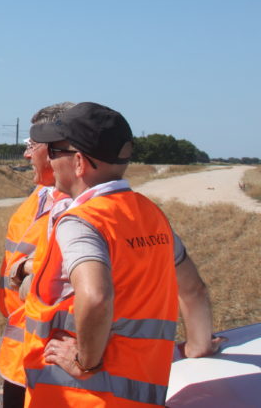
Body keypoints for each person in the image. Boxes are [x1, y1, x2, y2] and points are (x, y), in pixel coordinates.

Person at [22, 102, 222, 407]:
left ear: (78, 163)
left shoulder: (81, 222)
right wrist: (198, 346)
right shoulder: (151, 215)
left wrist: (85, 362)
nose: (49, 161)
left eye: (53, 152)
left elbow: (96, 297)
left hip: (81, 396)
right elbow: (194, 289)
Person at [0, 102, 74, 408]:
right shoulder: (40, 196)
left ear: (57, 148)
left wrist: (27, 267)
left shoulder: (78, 206)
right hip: (22, 349)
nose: (27, 155)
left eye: (32, 145)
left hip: (53, 358)